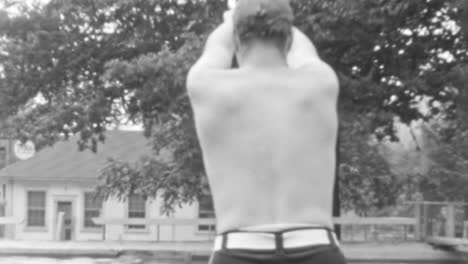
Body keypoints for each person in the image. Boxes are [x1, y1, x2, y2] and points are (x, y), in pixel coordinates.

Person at [186, 0, 344, 263]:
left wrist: (231, 19)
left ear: (236, 38)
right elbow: (303, 49)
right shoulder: (320, 82)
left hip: (238, 247)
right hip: (317, 246)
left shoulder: (206, 85)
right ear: (288, 37)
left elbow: (217, 48)